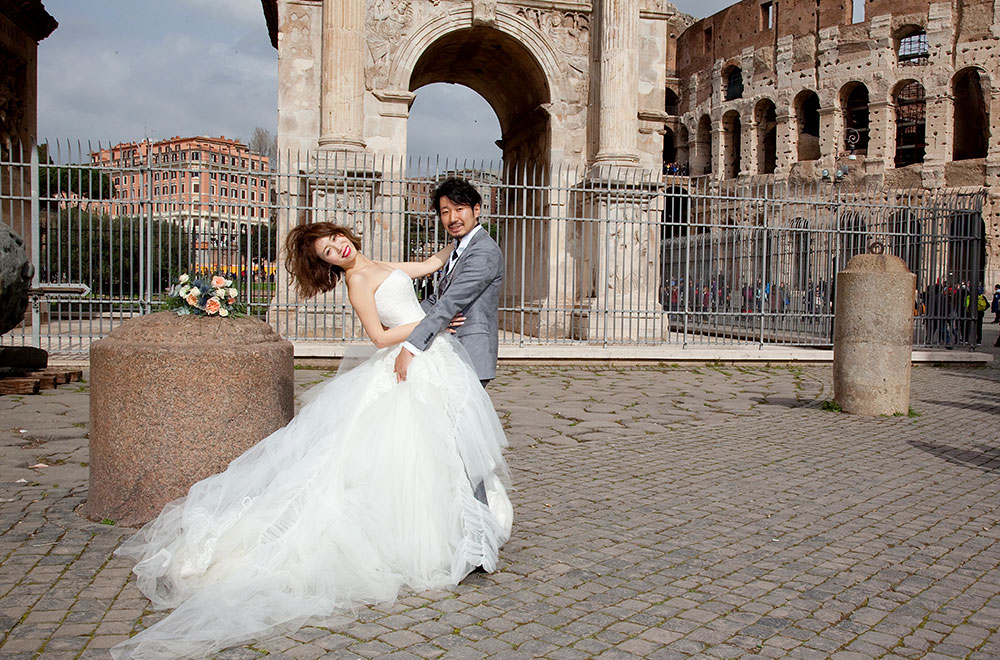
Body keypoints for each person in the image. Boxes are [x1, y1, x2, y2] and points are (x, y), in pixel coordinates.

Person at [110, 221, 513, 660]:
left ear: (345, 235)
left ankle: (463, 528)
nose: (338, 249)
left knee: (440, 450)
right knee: (399, 454)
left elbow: (433, 264)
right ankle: (435, 535)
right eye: (327, 253)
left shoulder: (378, 263)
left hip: (431, 353)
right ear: (325, 264)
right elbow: (378, 337)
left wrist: (460, 228)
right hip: (411, 357)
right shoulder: (357, 280)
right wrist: (430, 326)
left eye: (336, 240)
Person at [395, 177, 503, 387]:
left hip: (471, 351)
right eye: (445, 212)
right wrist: (404, 320)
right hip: (451, 351)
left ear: (477, 210)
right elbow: (438, 297)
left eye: (459, 209)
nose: (452, 218)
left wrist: (411, 346)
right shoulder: (459, 248)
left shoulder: (484, 251)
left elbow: (450, 302)